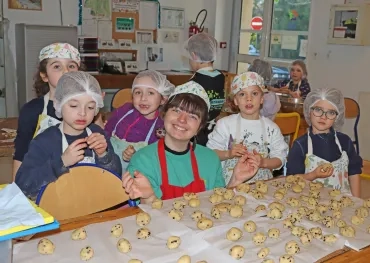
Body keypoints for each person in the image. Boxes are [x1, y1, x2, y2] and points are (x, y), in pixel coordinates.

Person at [122, 81, 260, 202]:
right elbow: (144, 219)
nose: (182, 120)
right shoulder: (143, 160)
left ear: (200, 127)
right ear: (164, 114)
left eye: (192, 116)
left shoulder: (210, 159)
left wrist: (236, 180)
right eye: (176, 110)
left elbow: (217, 206)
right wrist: (149, 198)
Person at [15, 72, 122, 200]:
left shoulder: (97, 133)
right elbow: (23, 185)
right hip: (59, 212)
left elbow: (116, 177)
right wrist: (61, 163)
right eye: (74, 105)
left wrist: (104, 155)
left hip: (95, 206)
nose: (82, 113)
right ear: (59, 104)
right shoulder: (45, 141)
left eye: (90, 107)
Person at [13, 43, 82, 178]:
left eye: (71, 66)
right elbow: (21, 156)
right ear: (44, 76)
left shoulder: (88, 108)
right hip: (42, 180)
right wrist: (17, 193)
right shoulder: (32, 110)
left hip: (79, 180)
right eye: (57, 66)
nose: (66, 71)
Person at [207, 72, 288, 184]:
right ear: (235, 101)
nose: (249, 99)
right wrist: (229, 154)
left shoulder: (271, 128)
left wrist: (263, 162)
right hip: (231, 185)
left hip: (261, 187)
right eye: (242, 94)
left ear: (262, 99)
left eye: (254, 93)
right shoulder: (225, 125)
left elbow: (280, 159)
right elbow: (210, 154)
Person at [286, 88, 362, 197]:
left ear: (337, 117)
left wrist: (357, 201)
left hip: (343, 203)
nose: (323, 117)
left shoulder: (345, 141)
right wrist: (313, 175)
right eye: (318, 110)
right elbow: (292, 179)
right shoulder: (300, 145)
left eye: (331, 112)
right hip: (310, 204)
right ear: (309, 111)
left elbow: (354, 173)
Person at [104, 70, 175, 171]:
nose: (143, 98)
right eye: (138, 92)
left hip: (139, 174)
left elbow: (158, 161)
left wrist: (136, 156)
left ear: (163, 99)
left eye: (150, 93)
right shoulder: (123, 111)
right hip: (109, 168)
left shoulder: (162, 126)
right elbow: (106, 133)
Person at [183, 33, 225, 146]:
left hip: (197, 133)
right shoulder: (220, 76)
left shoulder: (196, 81)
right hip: (214, 131)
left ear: (194, 56)